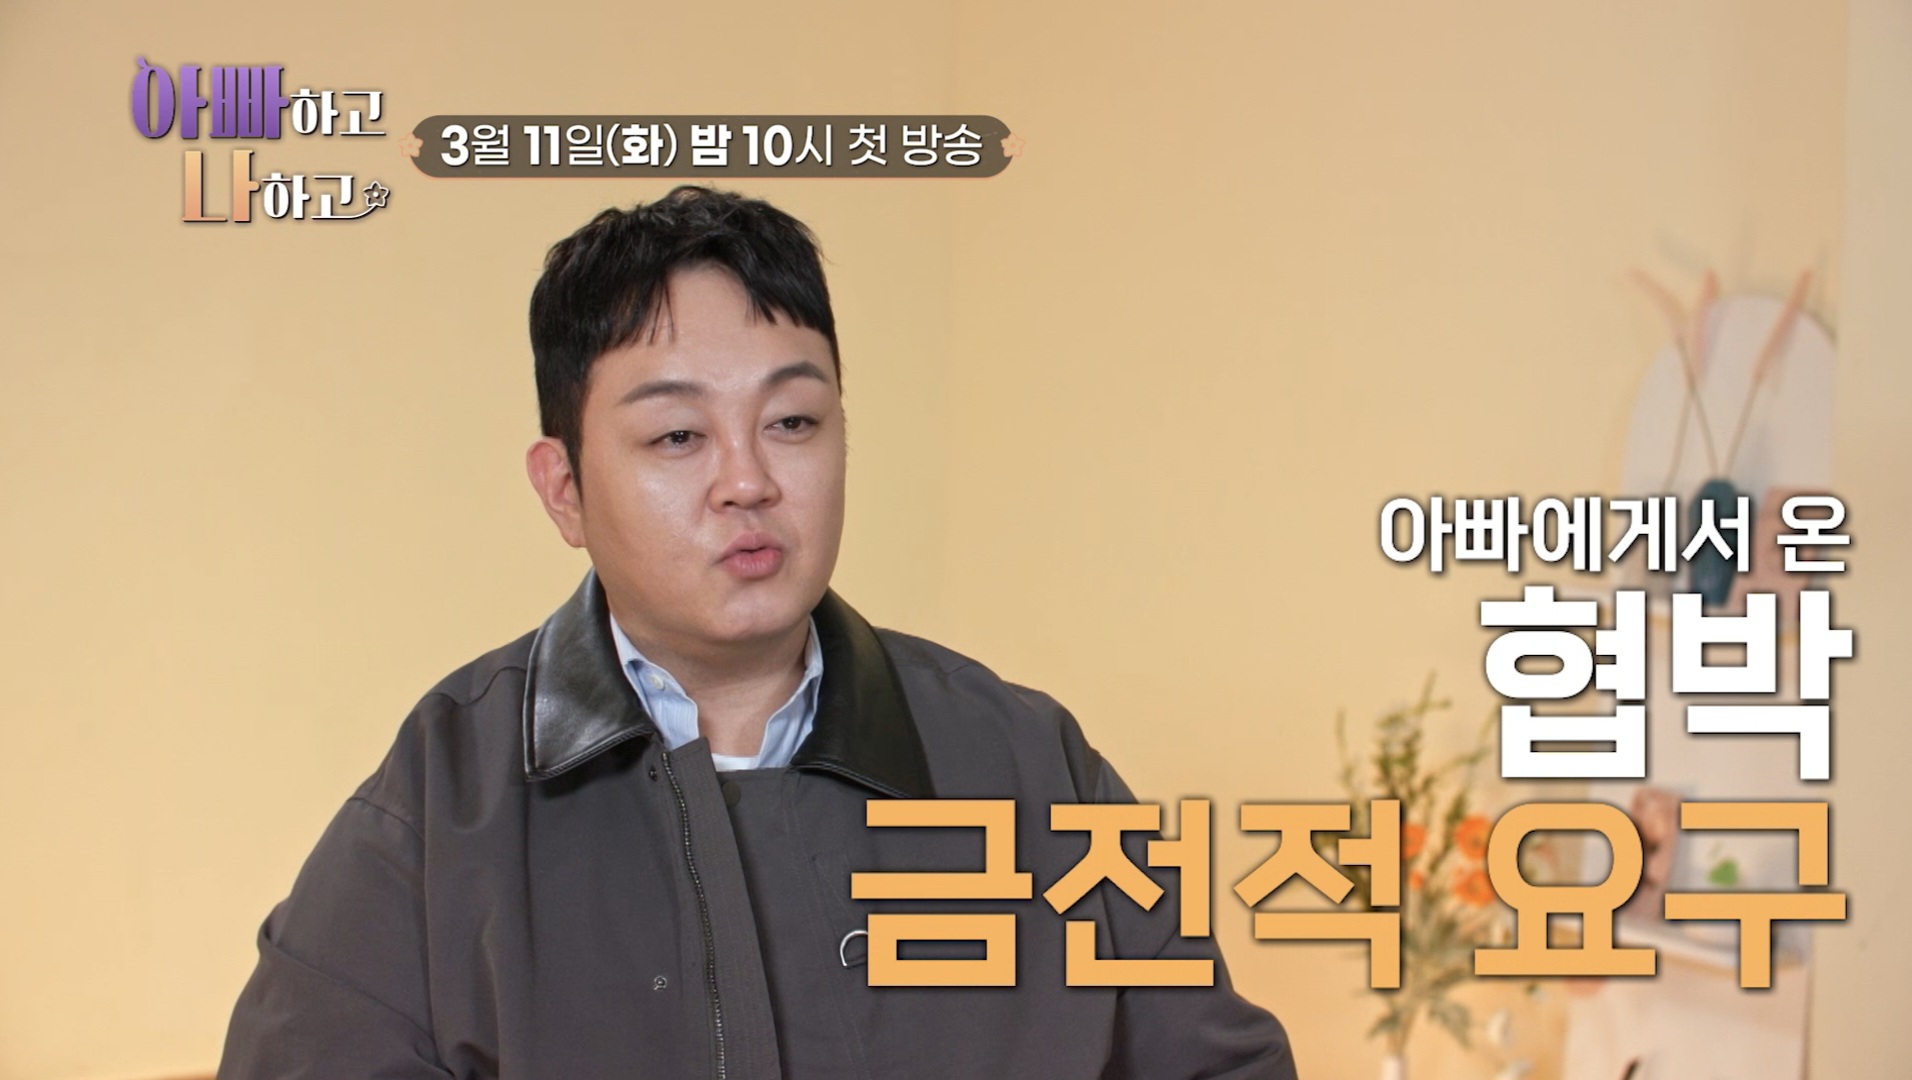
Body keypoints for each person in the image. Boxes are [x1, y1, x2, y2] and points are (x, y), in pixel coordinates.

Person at [217, 185, 1298, 1079]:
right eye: (677, 436)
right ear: (564, 489)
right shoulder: (443, 804)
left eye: (792, 422)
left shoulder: (1025, 762)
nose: (748, 481)